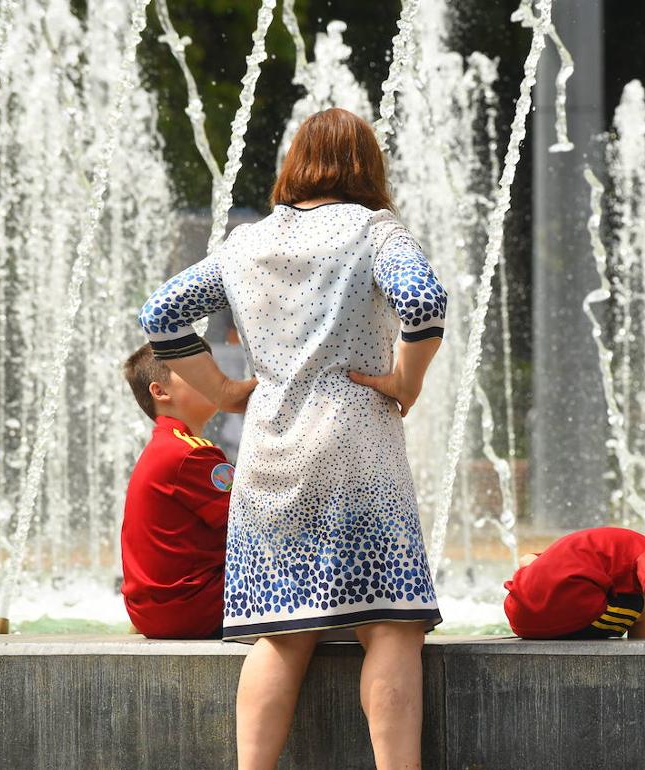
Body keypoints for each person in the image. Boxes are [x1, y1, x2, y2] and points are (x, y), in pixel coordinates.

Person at [137, 107, 446, 770]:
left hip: (270, 452)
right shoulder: (373, 231)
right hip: (358, 449)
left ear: (294, 164)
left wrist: (222, 392)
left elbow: (160, 315)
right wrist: (405, 381)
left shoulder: (246, 243)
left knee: (281, 635)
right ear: (368, 165)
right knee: (391, 626)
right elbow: (422, 303)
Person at [120, 342, 232, 640]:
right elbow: (253, 522)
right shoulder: (191, 455)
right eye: (196, 372)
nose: (213, 378)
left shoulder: (165, 447)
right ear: (161, 392)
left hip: (157, 612)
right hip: (193, 608)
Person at [504, 526, 645, 640]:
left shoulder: (613, 548)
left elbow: (528, 561)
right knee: (642, 606)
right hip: (571, 607)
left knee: (636, 599)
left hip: (520, 617)